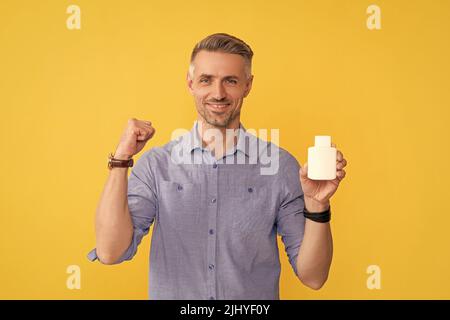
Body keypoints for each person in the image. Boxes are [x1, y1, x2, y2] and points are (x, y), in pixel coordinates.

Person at [87, 33, 348, 300]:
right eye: (206, 80)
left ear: (248, 85)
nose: (218, 93)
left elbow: (313, 277)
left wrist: (317, 205)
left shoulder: (279, 167)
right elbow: (110, 252)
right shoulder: (157, 166)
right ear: (190, 84)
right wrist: (121, 160)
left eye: (231, 81)